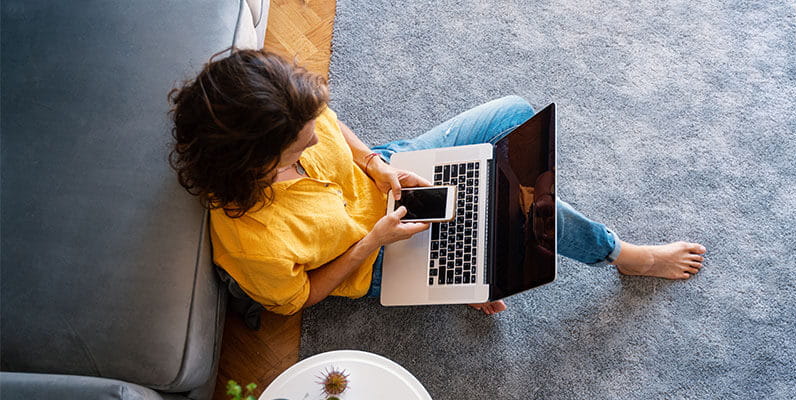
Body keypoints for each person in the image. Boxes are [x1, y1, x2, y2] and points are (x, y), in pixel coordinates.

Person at [168, 49, 706, 316]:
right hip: (373, 255)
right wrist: (373, 241)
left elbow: (331, 127)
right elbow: (303, 297)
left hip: (389, 175)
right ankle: (616, 252)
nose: (314, 140)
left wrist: (375, 164)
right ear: (253, 158)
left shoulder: (287, 112)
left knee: (515, 117)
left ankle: (467, 261)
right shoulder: (253, 243)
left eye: (311, 128)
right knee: (508, 205)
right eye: (300, 143)